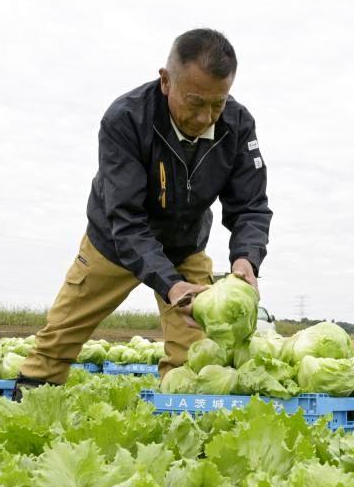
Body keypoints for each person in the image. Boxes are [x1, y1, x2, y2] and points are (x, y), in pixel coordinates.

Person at [14, 29, 271, 398]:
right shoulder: (126, 119)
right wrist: (171, 286)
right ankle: (26, 406)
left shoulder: (237, 124)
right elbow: (128, 221)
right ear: (166, 81)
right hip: (115, 245)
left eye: (217, 104)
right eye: (195, 102)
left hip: (184, 247)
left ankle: (183, 431)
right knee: (58, 339)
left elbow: (250, 204)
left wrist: (247, 258)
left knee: (198, 355)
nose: (205, 118)